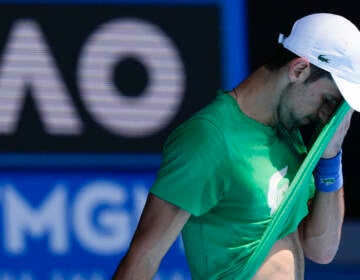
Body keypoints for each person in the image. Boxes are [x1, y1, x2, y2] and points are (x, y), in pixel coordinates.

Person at [112, 13, 360, 279]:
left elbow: (321, 249)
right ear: (299, 70)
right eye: (328, 100)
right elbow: (143, 257)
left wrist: (330, 158)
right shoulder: (208, 139)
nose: (326, 115)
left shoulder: (287, 134)